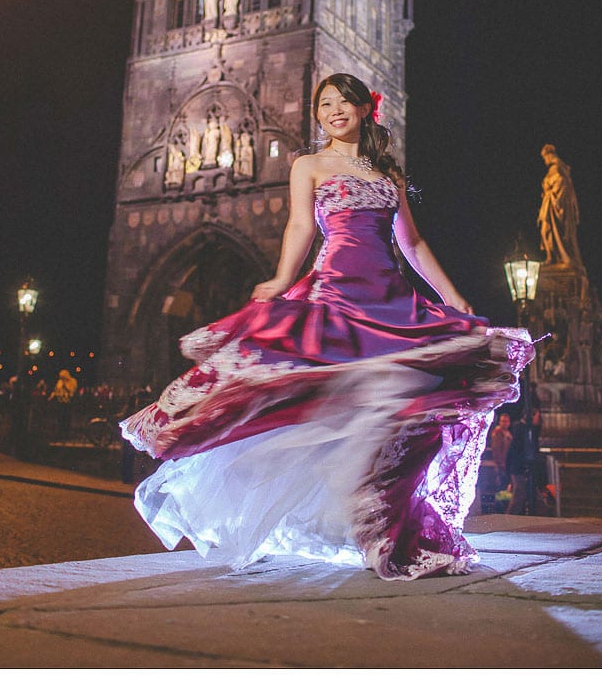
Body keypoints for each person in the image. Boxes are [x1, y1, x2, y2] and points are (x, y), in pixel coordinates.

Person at [120, 73, 535, 579]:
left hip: (389, 299)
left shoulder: (388, 175)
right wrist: (280, 279)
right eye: (324, 104)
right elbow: (299, 226)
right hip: (335, 294)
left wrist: (452, 296)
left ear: (364, 110)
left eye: (343, 102)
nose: (334, 110)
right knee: (325, 399)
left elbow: (413, 244)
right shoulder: (308, 165)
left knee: (406, 404)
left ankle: (380, 514)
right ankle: (359, 518)